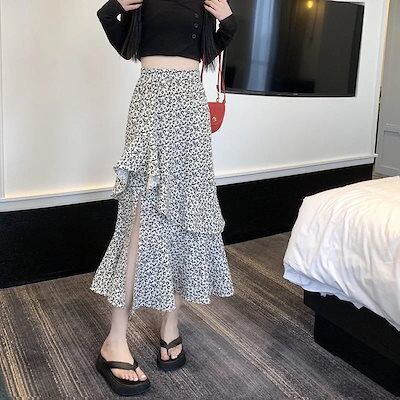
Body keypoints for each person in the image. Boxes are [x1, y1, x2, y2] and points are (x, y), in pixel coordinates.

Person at [90, 0, 238, 396]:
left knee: (185, 215)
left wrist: (228, 19)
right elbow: (120, 38)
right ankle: (114, 340)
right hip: (151, 102)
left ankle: (170, 324)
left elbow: (216, 45)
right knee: (139, 221)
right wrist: (113, 6)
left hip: (191, 104)